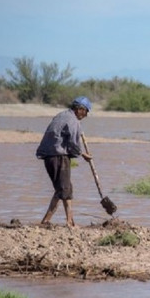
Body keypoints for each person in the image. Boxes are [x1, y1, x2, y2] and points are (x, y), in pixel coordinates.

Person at [36, 96, 93, 227]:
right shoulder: (73, 121)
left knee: (61, 189)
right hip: (58, 156)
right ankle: (70, 222)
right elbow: (73, 143)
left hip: (49, 156)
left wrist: (78, 153)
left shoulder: (61, 115)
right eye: (86, 112)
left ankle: (46, 220)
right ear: (79, 109)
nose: (85, 115)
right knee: (65, 188)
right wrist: (82, 154)